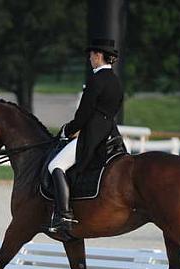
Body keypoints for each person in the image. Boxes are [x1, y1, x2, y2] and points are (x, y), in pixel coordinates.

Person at [47, 38, 124, 233]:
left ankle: (63, 214)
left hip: (92, 135)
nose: (89, 58)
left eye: (91, 55)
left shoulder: (96, 80)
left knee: (55, 165)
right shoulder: (115, 80)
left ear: (98, 55)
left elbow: (83, 114)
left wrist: (68, 130)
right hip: (110, 133)